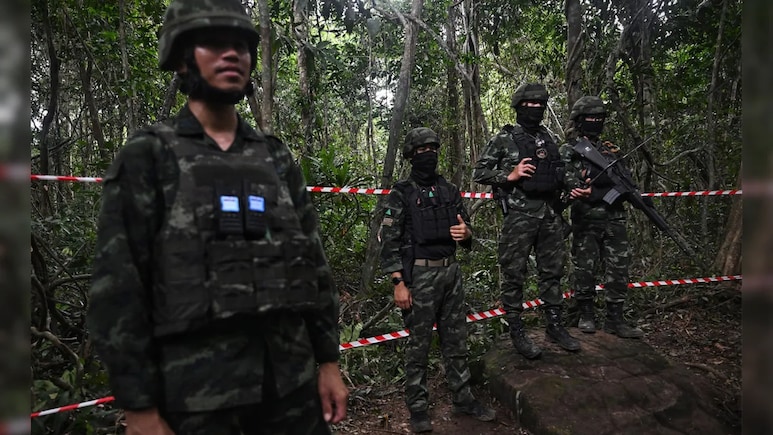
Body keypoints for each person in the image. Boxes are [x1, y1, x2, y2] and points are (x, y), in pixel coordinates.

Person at [86, 1, 348, 434]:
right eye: (214, 44)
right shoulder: (149, 156)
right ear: (184, 56)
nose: (232, 55)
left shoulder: (275, 157)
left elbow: (314, 265)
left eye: (241, 45)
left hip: (291, 389)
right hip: (198, 399)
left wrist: (328, 361)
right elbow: (118, 288)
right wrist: (140, 409)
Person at [379, 127, 496, 433]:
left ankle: (463, 396)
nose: (427, 154)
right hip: (419, 275)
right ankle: (417, 407)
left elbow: (465, 228)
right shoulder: (401, 192)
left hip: (450, 273)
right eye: (421, 150)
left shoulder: (450, 190)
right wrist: (398, 283)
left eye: (432, 148)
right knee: (418, 346)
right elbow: (388, 241)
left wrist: (466, 234)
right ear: (410, 155)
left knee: (456, 340)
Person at [472, 83, 588, 359]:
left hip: (550, 215)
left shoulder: (548, 138)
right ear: (518, 107)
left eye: (540, 105)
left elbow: (560, 172)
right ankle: (517, 331)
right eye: (529, 105)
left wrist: (575, 186)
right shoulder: (504, 138)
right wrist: (508, 176)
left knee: (552, 273)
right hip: (520, 218)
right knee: (514, 274)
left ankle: (555, 326)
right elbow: (480, 171)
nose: (535, 109)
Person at [559, 96, 644, 339]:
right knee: (585, 267)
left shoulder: (610, 149)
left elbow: (625, 179)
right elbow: (567, 180)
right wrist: (589, 190)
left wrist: (636, 196)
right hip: (586, 218)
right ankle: (586, 314)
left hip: (615, 217)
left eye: (599, 118)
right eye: (590, 118)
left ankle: (615, 318)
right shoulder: (570, 150)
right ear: (578, 121)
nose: (595, 122)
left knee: (619, 267)